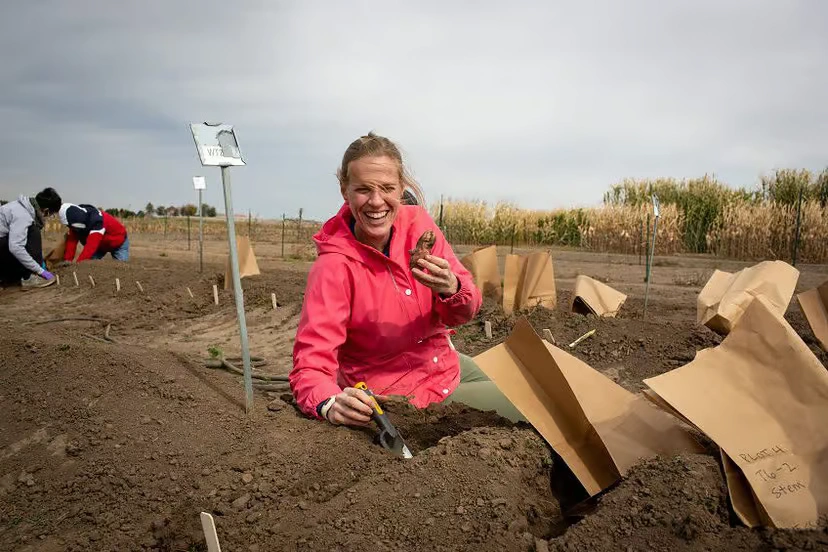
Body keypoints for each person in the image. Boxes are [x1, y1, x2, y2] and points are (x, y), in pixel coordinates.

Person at [290, 132, 523, 427]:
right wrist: (329, 403)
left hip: (441, 362)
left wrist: (453, 288)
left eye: (387, 188)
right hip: (401, 392)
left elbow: (465, 312)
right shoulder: (334, 267)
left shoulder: (419, 226)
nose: (376, 201)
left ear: (401, 187)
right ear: (344, 190)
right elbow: (311, 363)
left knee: (526, 386)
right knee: (533, 407)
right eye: (363, 189)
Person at [0, 188, 62, 289]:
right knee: (33, 232)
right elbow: (15, 247)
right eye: (51, 215)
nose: (50, 218)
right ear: (46, 211)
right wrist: (40, 271)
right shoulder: (22, 215)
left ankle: (8, 277)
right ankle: (28, 277)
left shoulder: (20, 207)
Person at [58, 203, 129, 263]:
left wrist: (79, 265)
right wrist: (67, 261)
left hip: (118, 242)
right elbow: (71, 243)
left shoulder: (96, 222)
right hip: (100, 247)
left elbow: (90, 247)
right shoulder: (75, 223)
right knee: (90, 267)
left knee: (121, 267)